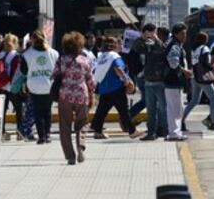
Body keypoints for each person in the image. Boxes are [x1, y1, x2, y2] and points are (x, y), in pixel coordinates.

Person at [53, 32, 95, 165]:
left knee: (64, 126)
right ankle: (80, 146)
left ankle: (70, 156)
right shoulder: (85, 60)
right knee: (82, 122)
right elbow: (91, 82)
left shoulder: (61, 60)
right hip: (81, 95)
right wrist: (92, 95)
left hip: (65, 95)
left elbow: (54, 75)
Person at [90, 36, 137, 139]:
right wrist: (127, 81)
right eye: (119, 44)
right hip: (116, 88)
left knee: (101, 111)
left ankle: (97, 131)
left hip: (104, 88)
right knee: (124, 111)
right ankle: (132, 131)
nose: (121, 46)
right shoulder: (114, 56)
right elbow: (118, 69)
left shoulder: (102, 56)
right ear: (114, 45)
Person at [20, 29, 59, 144]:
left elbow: (23, 71)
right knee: (47, 111)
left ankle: (41, 137)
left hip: (34, 86)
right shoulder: (54, 53)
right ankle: (47, 135)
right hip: (49, 85)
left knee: (38, 112)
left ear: (32, 40)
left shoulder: (27, 54)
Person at [133, 23, 169, 141]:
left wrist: (155, 38)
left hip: (159, 81)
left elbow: (163, 49)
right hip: (148, 81)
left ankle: (165, 131)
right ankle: (151, 132)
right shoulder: (146, 44)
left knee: (163, 108)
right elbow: (136, 48)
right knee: (151, 109)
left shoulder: (160, 44)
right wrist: (143, 37)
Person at [183, 31, 214, 131]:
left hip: (194, 77)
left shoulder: (195, 50)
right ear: (205, 40)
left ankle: (181, 120)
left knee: (194, 101)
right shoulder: (205, 49)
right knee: (213, 98)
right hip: (203, 78)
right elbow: (207, 64)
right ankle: (213, 122)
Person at [163, 23, 191, 141]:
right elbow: (173, 62)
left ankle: (175, 132)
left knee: (176, 108)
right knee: (175, 108)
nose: (184, 36)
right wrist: (184, 71)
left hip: (173, 81)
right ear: (176, 34)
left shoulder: (175, 44)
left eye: (185, 34)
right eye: (182, 34)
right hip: (173, 80)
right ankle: (174, 133)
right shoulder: (175, 45)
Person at [0, 34, 24, 140]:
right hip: (13, 86)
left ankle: (2, 133)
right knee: (19, 109)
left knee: (2, 110)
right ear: (15, 43)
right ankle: (20, 132)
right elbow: (20, 71)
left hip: (1, 86)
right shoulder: (16, 55)